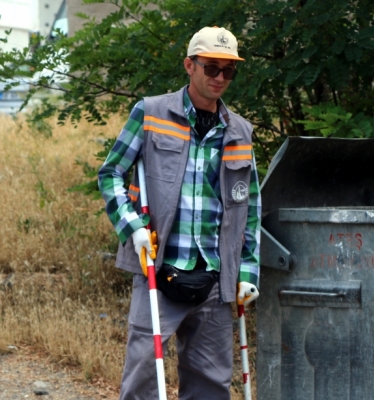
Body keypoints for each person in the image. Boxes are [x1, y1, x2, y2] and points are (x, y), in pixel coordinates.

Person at [98, 26, 261, 400]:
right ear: (190, 65)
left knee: (211, 385)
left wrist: (248, 272)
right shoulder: (151, 112)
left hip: (216, 280)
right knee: (142, 379)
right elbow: (111, 174)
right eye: (211, 68)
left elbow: (249, 210)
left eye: (229, 70)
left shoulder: (240, 132)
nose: (220, 77)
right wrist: (132, 227)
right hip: (159, 269)